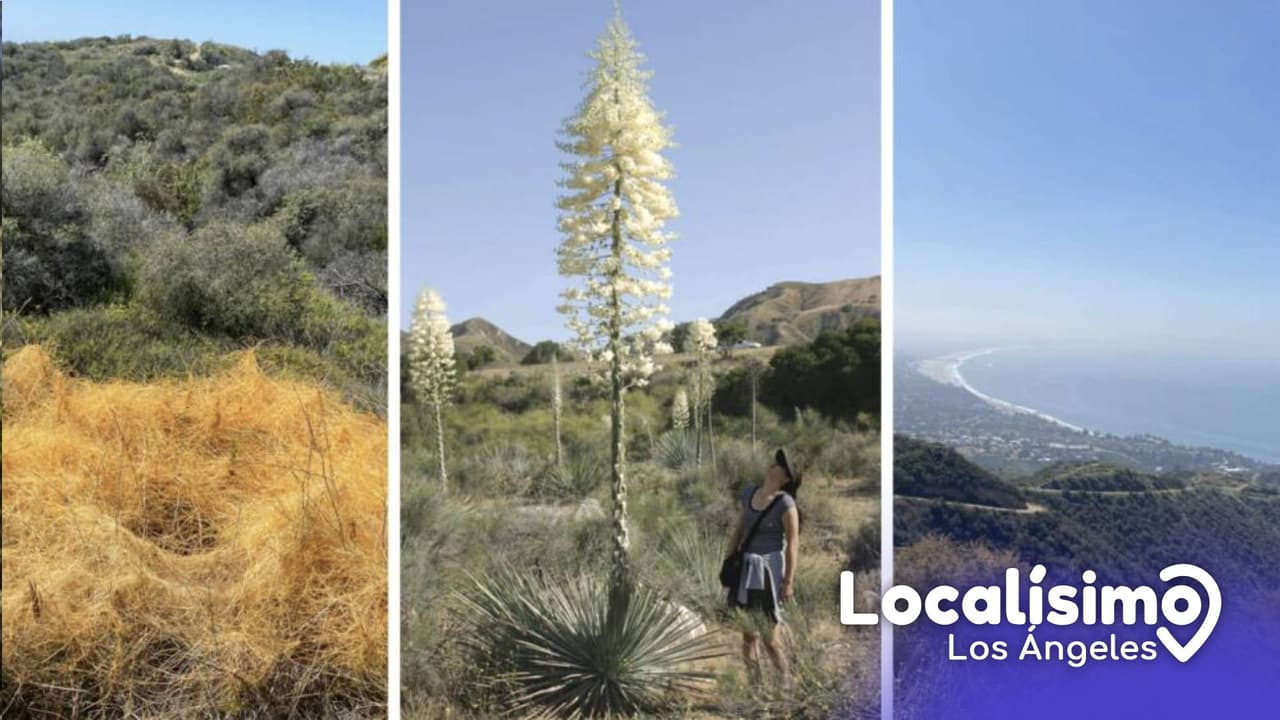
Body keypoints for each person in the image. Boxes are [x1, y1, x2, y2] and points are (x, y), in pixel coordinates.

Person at [723, 448, 802, 686]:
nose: (773, 465)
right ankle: (755, 687)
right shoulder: (749, 494)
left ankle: (784, 686)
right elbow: (739, 529)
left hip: (770, 570)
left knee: (770, 638)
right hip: (746, 568)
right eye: (776, 461)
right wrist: (728, 562)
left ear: (786, 477)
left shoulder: (785, 503)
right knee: (748, 635)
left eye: (780, 464)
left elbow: (793, 543)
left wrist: (788, 582)